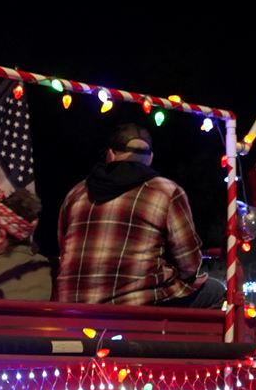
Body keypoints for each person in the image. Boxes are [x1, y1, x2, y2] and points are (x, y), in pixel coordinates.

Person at [55, 122, 222, 308]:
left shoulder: (76, 193)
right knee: (216, 291)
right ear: (150, 158)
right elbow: (189, 263)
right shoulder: (165, 191)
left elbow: (63, 248)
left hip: (73, 304)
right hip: (136, 305)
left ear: (110, 154)